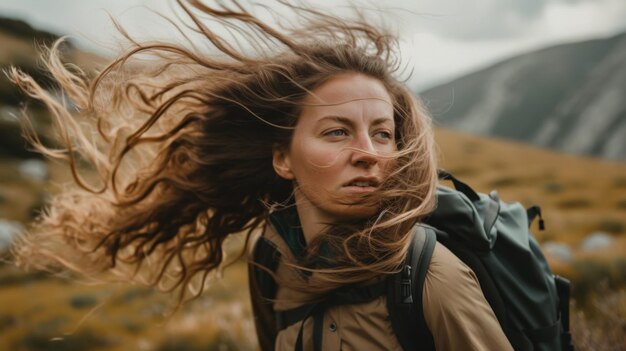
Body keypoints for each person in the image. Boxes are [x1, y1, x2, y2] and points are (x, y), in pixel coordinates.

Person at [9, 1, 513, 350]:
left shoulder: (429, 278)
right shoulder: (274, 261)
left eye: (383, 134)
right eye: (337, 132)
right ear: (283, 158)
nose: (369, 153)